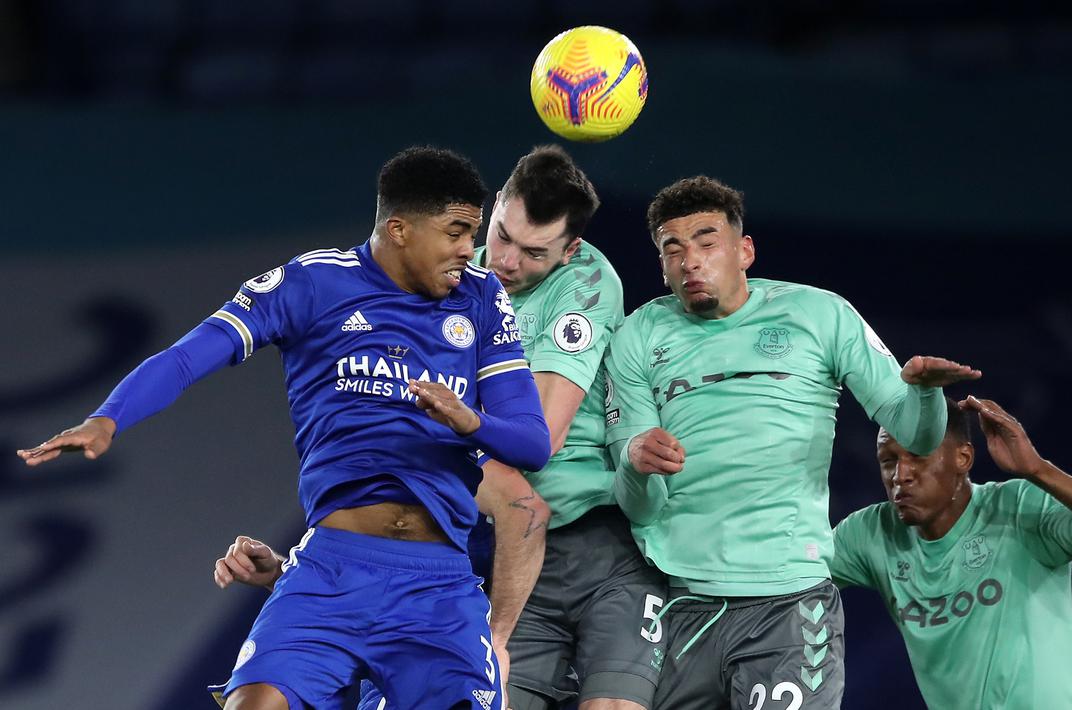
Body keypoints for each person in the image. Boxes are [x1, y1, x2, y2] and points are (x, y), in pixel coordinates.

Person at [18, 146, 551, 710]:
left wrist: (470, 421)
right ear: (399, 229)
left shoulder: (480, 297)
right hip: (332, 572)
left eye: (473, 233)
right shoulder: (313, 283)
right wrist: (108, 418)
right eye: (456, 233)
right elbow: (191, 354)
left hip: (438, 587)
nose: (469, 250)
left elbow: (532, 442)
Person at [216, 145, 667, 710]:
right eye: (500, 236)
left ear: (569, 250)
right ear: (493, 208)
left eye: (533, 252)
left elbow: (538, 448)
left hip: (563, 538)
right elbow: (386, 515)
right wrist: (292, 572)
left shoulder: (581, 283)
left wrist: (494, 639)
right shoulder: (445, 276)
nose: (506, 261)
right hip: (469, 548)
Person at [603, 176, 981, 709]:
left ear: (744, 251)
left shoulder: (821, 315)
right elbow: (639, 507)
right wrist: (634, 464)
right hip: (679, 600)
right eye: (673, 249)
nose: (690, 261)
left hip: (786, 603)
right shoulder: (638, 336)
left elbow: (916, 433)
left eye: (707, 243)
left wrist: (924, 394)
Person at [830, 395, 1072, 708]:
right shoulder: (872, 533)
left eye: (918, 456)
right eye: (888, 460)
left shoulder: (1019, 508)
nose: (900, 475)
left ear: (962, 457)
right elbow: (796, 576)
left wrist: (1038, 469)